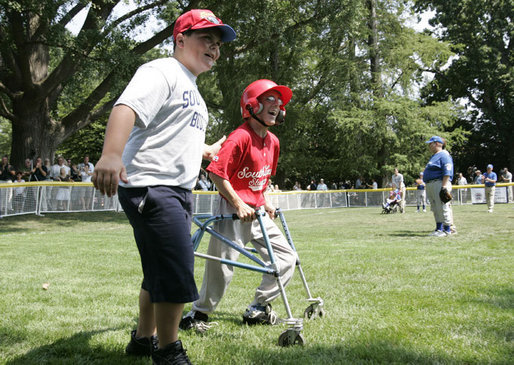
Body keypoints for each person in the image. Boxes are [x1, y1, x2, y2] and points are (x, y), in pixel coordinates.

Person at [91, 9, 236, 365]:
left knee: (159, 268)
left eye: (218, 45)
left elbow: (171, 133)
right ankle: (168, 351)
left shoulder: (191, 87)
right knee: (175, 266)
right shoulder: (162, 71)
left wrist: (204, 150)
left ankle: (143, 340)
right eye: (207, 39)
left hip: (174, 189)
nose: (214, 49)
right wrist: (111, 154)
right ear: (180, 39)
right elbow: (126, 107)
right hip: (152, 186)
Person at [179, 79, 296, 333]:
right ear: (252, 105)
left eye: (280, 101)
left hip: (257, 212)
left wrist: (264, 200)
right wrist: (238, 202)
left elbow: (262, 180)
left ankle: (258, 307)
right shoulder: (240, 137)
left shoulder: (273, 142)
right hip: (232, 210)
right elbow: (216, 173)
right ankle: (198, 314)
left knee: (287, 259)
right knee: (222, 267)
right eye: (270, 99)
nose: (278, 105)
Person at [423, 136, 454, 236]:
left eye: (430, 144)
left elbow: (447, 171)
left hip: (440, 182)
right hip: (431, 183)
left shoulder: (444, 155)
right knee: (435, 207)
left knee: (442, 206)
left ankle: (447, 229)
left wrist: (444, 186)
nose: (429, 146)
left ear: (437, 144)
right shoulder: (435, 156)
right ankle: (439, 228)